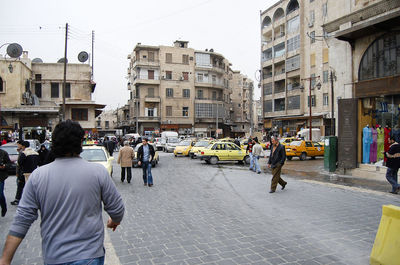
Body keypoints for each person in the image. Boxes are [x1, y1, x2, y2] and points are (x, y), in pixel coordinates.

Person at [0, 120, 125, 265]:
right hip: (90, 255)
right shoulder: (97, 172)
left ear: (54, 143)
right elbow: (117, 208)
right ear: (80, 143)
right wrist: (114, 220)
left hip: (55, 256)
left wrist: (5, 259)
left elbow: (22, 219)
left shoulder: (38, 176)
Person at [10, 141, 25, 206]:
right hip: (21, 172)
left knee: (20, 186)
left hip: (22, 173)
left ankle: (19, 199)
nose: (17, 146)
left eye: (18, 144)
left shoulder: (23, 153)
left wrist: (18, 172)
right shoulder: (21, 152)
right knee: (20, 186)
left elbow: (20, 164)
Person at [0, 147, 11, 217]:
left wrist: (4, 166)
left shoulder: (3, 153)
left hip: (0, 177)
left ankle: (4, 207)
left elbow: (8, 164)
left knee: (0, 194)